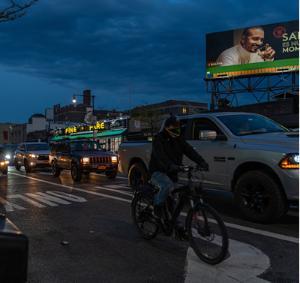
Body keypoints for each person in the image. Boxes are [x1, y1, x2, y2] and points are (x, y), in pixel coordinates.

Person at [148, 115, 209, 237]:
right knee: (167, 186)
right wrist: (170, 166)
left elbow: (190, 151)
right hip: (158, 171)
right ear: (166, 128)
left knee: (173, 199)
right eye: (173, 127)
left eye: (177, 127)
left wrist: (201, 162)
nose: (176, 130)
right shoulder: (158, 139)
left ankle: (175, 225)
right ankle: (157, 209)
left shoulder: (179, 139)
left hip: (172, 172)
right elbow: (160, 157)